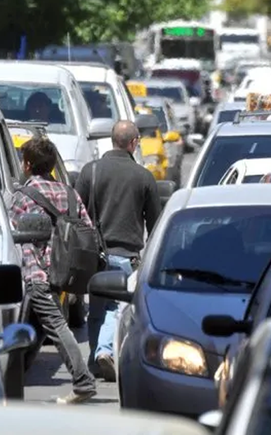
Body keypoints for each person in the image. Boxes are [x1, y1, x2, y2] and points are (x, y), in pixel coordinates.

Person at [8, 136, 97, 404]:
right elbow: (88, 229)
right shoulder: (70, 193)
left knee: (56, 325)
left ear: (26, 164)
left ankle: (83, 381)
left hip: (36, 272)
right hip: (63, 271)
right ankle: (14, 378)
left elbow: (9, 232)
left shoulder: (22, 197)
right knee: (37, 325)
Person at [76, 120, 162, 382]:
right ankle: (105, 352)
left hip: (93, 257)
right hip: (126, 257)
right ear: (134, 143)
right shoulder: (143, 177)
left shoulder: (89, 172)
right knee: (115, 308)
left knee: (97, 309)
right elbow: (155, 223)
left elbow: (77, 215)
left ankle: (95, 359)